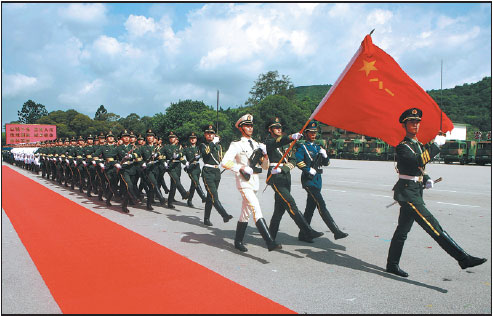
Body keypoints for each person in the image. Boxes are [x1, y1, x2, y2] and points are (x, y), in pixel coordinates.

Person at [386, 108, 487, 277]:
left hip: (415, 191)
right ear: (404, 125)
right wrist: (436, 145)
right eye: (411, 122)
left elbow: (419, 167)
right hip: (408, 194)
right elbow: (417, 161)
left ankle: (392, 264)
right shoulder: (403, 147)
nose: (415, 125)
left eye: (417, 122)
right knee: (433, 225)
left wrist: (426, 178)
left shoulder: (417, 145)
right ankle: (463, 258)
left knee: (402, 232)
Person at [221, 114, 281, 252]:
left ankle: (238, 241)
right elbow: (224, 162)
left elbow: (265, 167)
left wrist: (265, 156)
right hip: (243, 181)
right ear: (241, 128)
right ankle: (269, 241)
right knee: (256, 208)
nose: (250, 128)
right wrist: (240, 168)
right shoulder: (236, 144)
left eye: (251, 125)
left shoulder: (257, 144)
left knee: (246, 212)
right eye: (247, 125)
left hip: (254, 182)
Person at [264, 117, 324, 241]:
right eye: (276, 127)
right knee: (291, 203)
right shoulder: (269, 142)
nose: (279, 129)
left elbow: (293, 160)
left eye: (280, 127)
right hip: (275, 178)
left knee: (279, 210)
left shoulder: (286, 145)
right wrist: (291, 136)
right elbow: (277, 142)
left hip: (285, 176)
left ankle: (270, 237)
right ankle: (307, 230)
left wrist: (284, 169)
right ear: (270, 130)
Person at [295, 121, 348, 242]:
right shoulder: (302, 146)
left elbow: (327, 163)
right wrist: (308, 169)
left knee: (310, 208)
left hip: (318, 180)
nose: (313, 134)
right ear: (306, 133)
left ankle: (303, 234)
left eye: (314, 132)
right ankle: (336, 231)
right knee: (321, 205)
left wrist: (324, 155)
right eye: (311, 132)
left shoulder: (318, 147)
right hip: (309, 180)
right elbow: (298, 161)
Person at [198, 125, 233, 226]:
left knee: (210, 197)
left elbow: (220, 159)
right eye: (208, 133)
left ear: (214, 135)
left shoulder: (218, 146)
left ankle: (206, 218)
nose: (210, 135)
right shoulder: (203, 145)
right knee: (214, 195)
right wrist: (213, 143)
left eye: (212, 133)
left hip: (216, 172)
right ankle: (224, 215)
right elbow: (205, 153)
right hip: (207, 171)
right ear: (205, 135)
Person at [184, 132, 207, 208]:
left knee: (193, 185)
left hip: (197, 168)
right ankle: (203, 197)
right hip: (191, 168)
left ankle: (189, 200)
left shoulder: (198, 148)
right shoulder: (186, 148)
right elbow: (180, 155)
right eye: (191, 138)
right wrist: (185, 162)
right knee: (196, 183)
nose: (192, 140)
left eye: (194, 138)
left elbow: (204, 154)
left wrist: (200, 156)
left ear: (196, 140)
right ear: (189, 140)